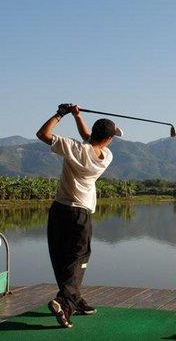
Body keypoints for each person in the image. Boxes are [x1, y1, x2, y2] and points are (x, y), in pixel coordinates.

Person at [36, 104, 123, 328]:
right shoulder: (106, 156)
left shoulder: (74, 148)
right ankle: (65, 301)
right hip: (80, 213)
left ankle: (71, 299)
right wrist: (77, 115)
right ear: (108, 140)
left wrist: (61, 114)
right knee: (78, 259)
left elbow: (42, 134)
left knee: (61, 257)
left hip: (59, 210)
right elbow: (89, 138)